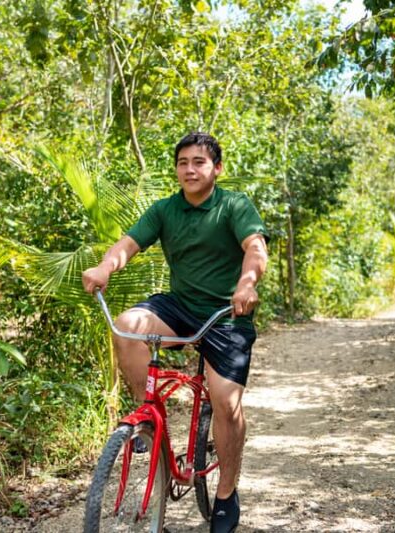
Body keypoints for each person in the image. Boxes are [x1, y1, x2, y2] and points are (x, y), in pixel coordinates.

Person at [81, 132, 268, 533]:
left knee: (224, 401)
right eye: (183, 162)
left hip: (226, 314)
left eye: (199, 162)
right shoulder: (165, 209)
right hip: (180, 308)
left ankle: (226, 494)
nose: (189, 169)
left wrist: (246, 283)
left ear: (216, 168)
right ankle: (148, 424)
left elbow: (255, 248)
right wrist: (104, 267)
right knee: (128, 327)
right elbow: (127, 245)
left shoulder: (233, 205)